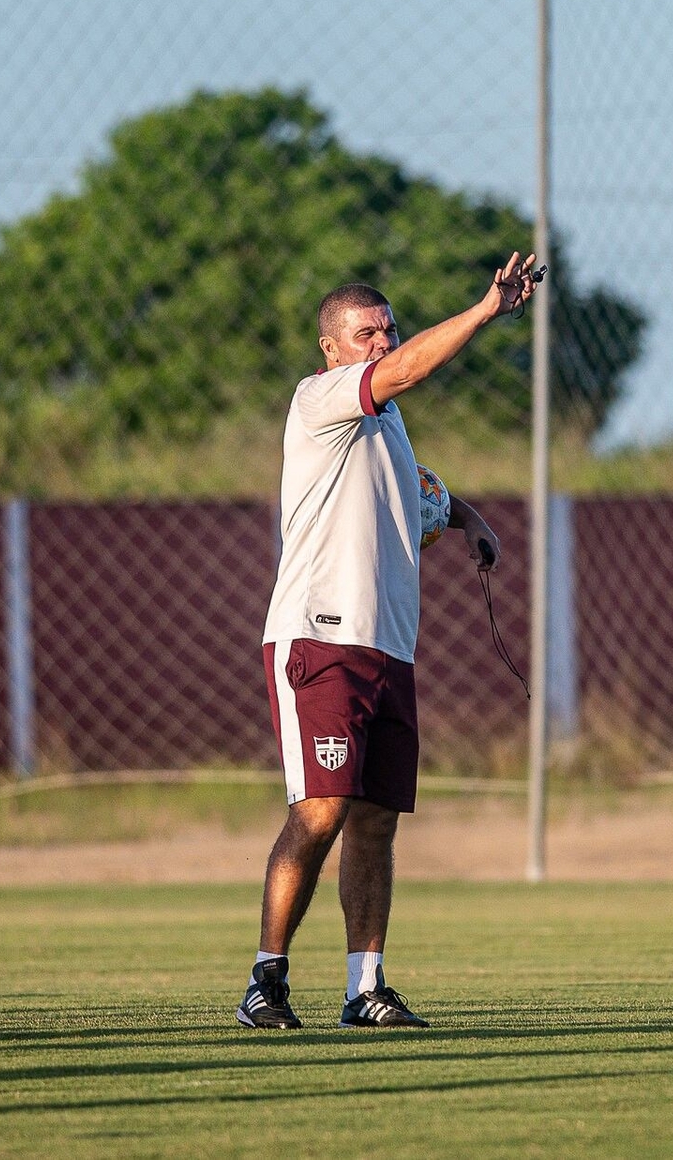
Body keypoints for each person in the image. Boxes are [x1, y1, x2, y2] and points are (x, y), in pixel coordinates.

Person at [237, 256, 537, 1030]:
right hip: (319, 639)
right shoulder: (322, 400)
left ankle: (364, 987)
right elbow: (403, 373)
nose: (381, 342)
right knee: (322, 809)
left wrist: (470, 519)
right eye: (364, 333)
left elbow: (423, 492)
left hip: (388, 649)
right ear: (331, 351)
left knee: (374, 819)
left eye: (388, 329)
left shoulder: (386, 431)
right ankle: (264, 981)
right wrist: (482, 312)